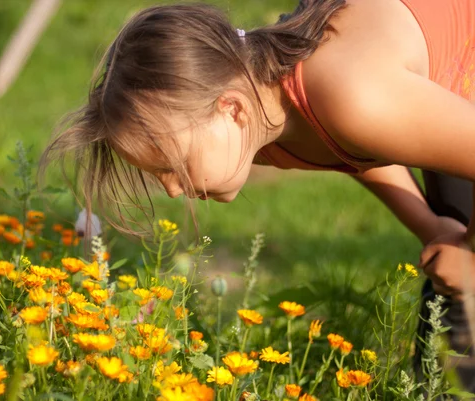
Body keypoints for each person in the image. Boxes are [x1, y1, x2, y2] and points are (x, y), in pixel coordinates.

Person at [40, 0, 475, 391]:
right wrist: (429, 225)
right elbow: (359, 146)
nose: (173, 188)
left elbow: (362, 121)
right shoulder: (259, 115)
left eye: (174, 165)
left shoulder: (351, 97)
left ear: (231, 109)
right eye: (159, 174)